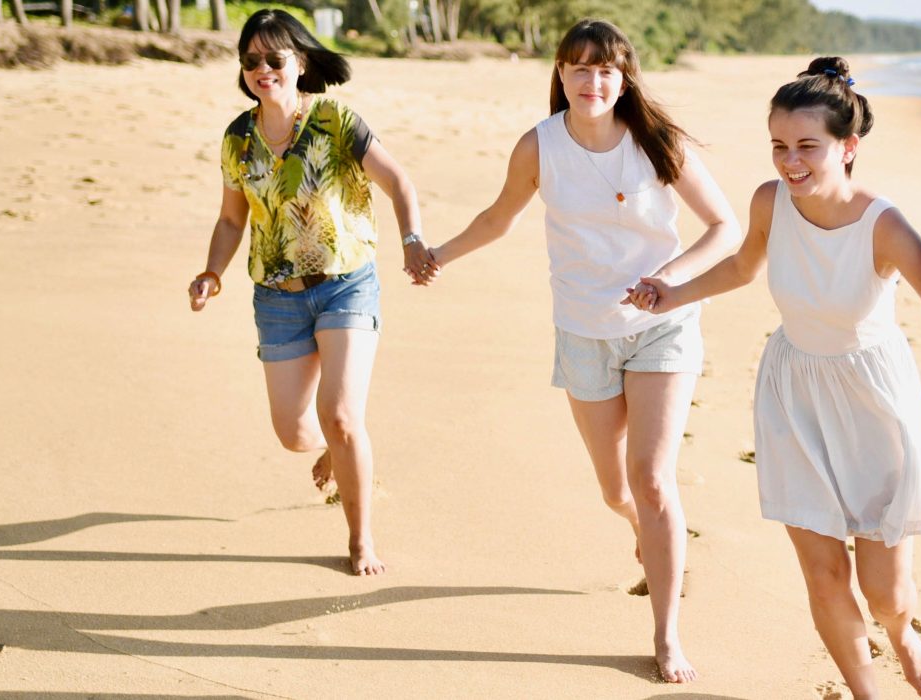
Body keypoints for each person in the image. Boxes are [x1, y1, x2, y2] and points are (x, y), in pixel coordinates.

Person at [417, 19, 739, 683]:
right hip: (583, 330)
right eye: (579, 68)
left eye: (606, 70)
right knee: (615, 491)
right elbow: (498, 217)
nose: (593, 81)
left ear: (624, 79)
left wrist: (669, 281)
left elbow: (723, 225)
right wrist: (439, 256)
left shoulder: (656, 142)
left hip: (661, 325)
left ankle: (666, 633)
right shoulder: (540, 146)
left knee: (652, 480)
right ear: (560, 75)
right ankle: (643, 531)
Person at [628, 57, 921, 699]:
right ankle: (867, 693)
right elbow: (744, 267)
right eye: (778, 146)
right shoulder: (771, 201)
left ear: (848, 147)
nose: (789, 161)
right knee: (824, 574)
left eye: (807, 147)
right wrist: (674, 292)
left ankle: (903, 632)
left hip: (874, 402)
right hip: (794, 392)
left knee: (884, 590)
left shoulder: (883, 224)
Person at [187, 9, 432, 576]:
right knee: (296, 433)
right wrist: (212, 272)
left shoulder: (334, 120)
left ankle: (361, 537)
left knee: (342, 417)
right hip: (276, 297)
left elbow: (398, 182)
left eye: (275, 58)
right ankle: (337, 451)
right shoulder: (237, 139)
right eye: (252, 60)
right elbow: (231, 220)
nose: (262, 69)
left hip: (347, 284)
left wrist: (413, 240)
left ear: (300, 62)